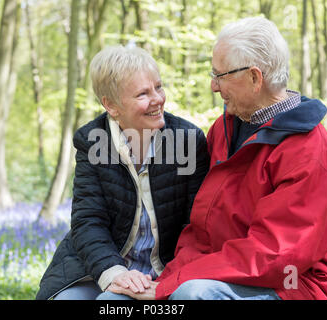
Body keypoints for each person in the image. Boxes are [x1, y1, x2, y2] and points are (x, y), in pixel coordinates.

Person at [108, 17, 327, 300]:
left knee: (193, 296)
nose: (214, 86)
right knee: (113, 302)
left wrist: (173, 283)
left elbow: (275, 256)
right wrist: (164, 280)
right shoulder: (224, 129)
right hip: (215, 272)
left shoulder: (310, 152)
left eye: (220, 75)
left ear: (254, 77)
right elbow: (200, 232)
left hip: (291, 284)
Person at [35, 45, 209, 300]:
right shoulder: (92, 141)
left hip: (167, 271)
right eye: (142, 94)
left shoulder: (188, 140)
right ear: (111, 105)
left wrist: (168, 280)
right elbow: (88, 221)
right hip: (102, 265)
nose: (157, 99)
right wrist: (114, 272)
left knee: (111, 304)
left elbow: (196, 226)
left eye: (158, 87)